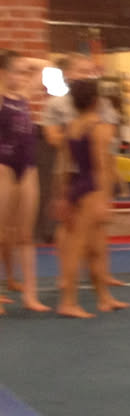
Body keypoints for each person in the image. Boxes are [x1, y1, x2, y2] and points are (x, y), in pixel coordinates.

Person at [54, 76, 127, 317]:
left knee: (97, 248)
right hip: (91, 190)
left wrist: (64, 195)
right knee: (77, 247)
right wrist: (104, 200)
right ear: (96, 100)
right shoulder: (98, 127)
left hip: (77, 186)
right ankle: (68, 302)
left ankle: (104, 298)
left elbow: (66, 165)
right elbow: (100, 167)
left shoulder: (72, 126)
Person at [0, 51, 49, 312]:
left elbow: (46, 64)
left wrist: (23, 63)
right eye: (17, 72)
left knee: (26, 235)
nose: (23, 76)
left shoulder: (25, 94)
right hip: (4, 168)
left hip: (28, 169)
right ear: (4, 73)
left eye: (24, 72)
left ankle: (30, 295)